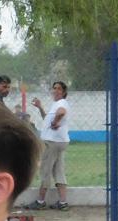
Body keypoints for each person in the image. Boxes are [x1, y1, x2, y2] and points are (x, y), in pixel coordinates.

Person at [27, 81, 71, 210]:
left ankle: (40, 201)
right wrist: (40, 107)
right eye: (54, 88)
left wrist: (56, 122)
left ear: (63, 92)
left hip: (52, 142)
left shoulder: (61, 104)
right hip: (60, 142)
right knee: (59, 170)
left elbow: (61, 112)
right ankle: (63, 202)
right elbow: (47, 118)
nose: (55, 90)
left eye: (58, 89)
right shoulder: (56, 104)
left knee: (45, 170)